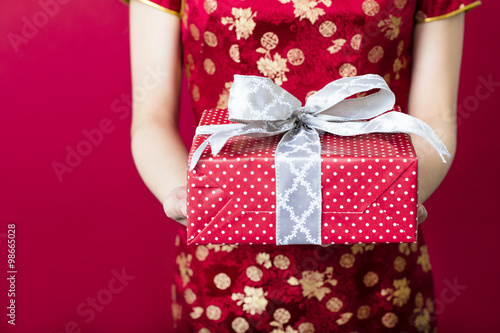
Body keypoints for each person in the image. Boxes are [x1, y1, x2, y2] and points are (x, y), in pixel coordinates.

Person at [128, 0, 480, 331]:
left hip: (376, 270)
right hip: (225, 264)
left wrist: (394, 197)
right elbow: (152, 117)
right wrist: (185, 196)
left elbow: (436, 117)